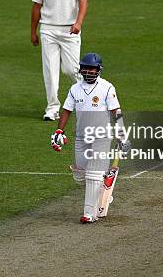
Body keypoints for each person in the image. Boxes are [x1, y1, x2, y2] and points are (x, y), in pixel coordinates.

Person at [50, 53, 124, 223]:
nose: (88, 71)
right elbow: (67, 110)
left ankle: (89, 214)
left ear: (98, 69)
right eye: (85, 68)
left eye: (92, 68)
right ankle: (103, 188)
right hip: (81, 137)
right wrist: (59, 131)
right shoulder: (74, 89)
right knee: (79, 175)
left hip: (101, 136)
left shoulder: (107, 87)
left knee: (92, 176)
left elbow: (115, 111)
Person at [31, 0, 89, 121]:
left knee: (72, 69)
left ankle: (85, 100)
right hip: (48, 29)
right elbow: (36, 6)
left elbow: (83, 0)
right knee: (50, 70)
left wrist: (79, 22)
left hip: (70, 29)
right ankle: (52, 108)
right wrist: (33, 32)